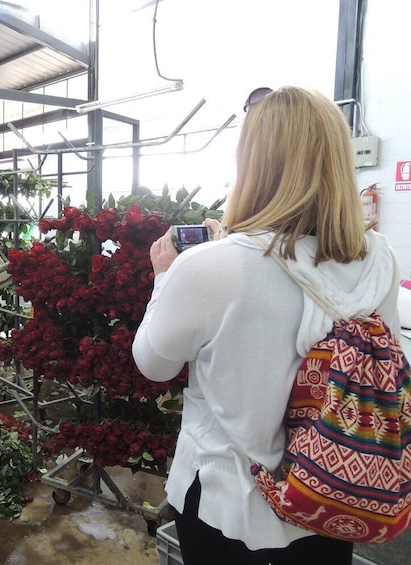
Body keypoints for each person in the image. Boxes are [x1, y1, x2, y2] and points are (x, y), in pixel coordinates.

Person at [132, 86, 400, 565]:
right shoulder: (378, 258)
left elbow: (153, 364)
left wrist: (165, 279)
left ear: (252, 162)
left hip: (228, 502)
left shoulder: (212, 266)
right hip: (335, 492)